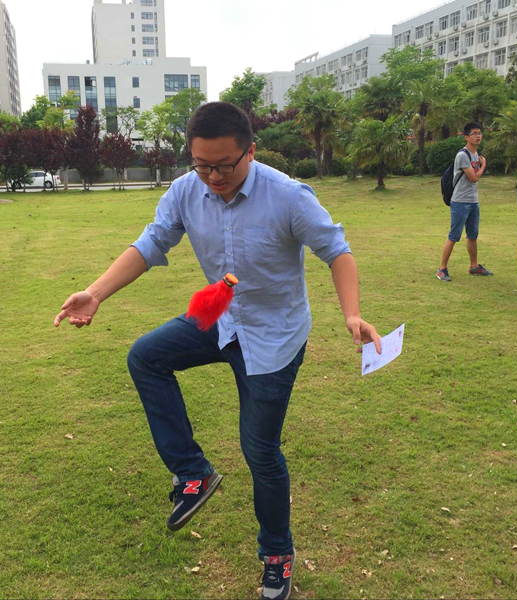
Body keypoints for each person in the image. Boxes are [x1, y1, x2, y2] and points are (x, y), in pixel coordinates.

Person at [53, 101, 382, 600]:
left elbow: (337, 251)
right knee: (146, 357)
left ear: (250, 151)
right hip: (219, 317)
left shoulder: (288, 196)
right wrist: (96, 294)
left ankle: (277, 555)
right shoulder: (187, 190)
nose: (212, 177)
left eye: (223, 166)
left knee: (260, 451)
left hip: (274, 337)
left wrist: (351, 314)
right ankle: (193, 473)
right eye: (201, 165)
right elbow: (150, 243)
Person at [436, 121, 493, 282]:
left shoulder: (475, 154)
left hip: (473, 201)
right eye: (474, 133)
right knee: (454, 235)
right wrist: (483, 165)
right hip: (460, 202)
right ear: (466, 137)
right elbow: (473, 178)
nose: (478, 136)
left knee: (472, 235)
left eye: (480, 133)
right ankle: (442, 269)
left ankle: (474, 266)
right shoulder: (462, 155)